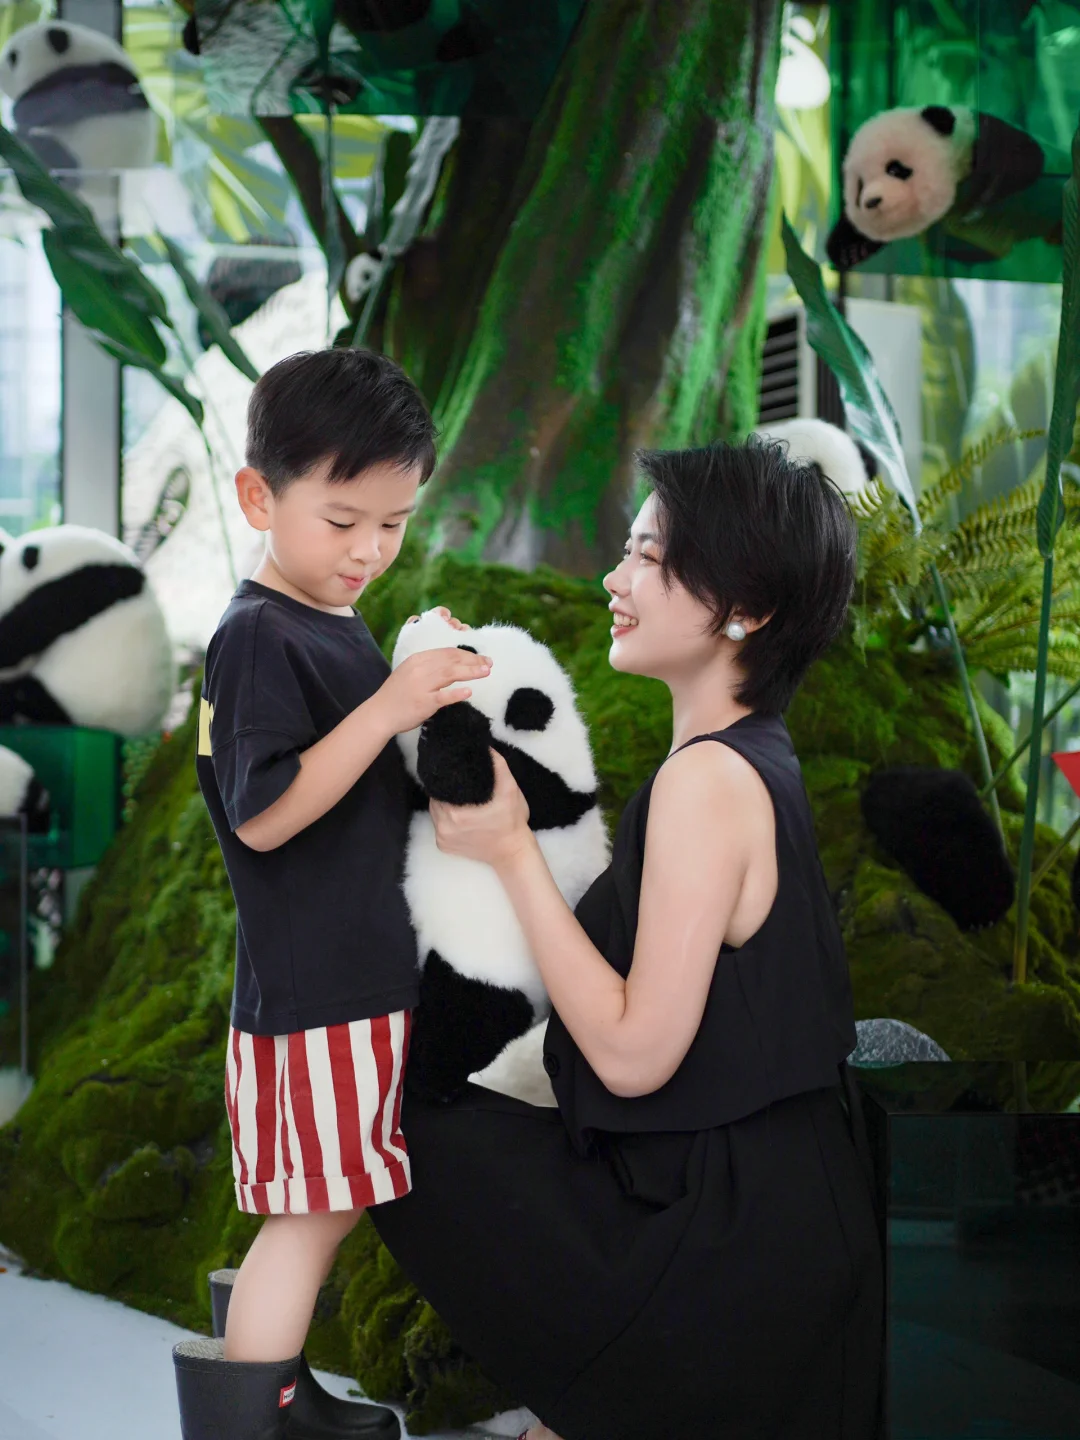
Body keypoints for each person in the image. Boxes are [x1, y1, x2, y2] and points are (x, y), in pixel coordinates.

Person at [370, 438, 885, 1440]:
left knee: (393, 1124)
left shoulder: (708, 783)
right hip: (777, 1221)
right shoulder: (748, 759)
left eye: (650, 557)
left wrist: (512, 852)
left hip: (719, 1250)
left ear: (746, 609)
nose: (616, 578)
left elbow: (635, 1055)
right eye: (627, 550)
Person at [173, 347, 485, 1440]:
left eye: (394, 523)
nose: (369, 550)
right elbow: (263, 812)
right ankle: (254, 1417)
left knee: (322, 1205)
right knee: (311, 1214)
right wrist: (392, 703)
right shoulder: (257, 635)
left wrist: (409, 676)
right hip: (319, 991)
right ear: (259, 497)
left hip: (345, 977)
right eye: (343, 520)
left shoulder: (321, 619)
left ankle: (279, 1393)